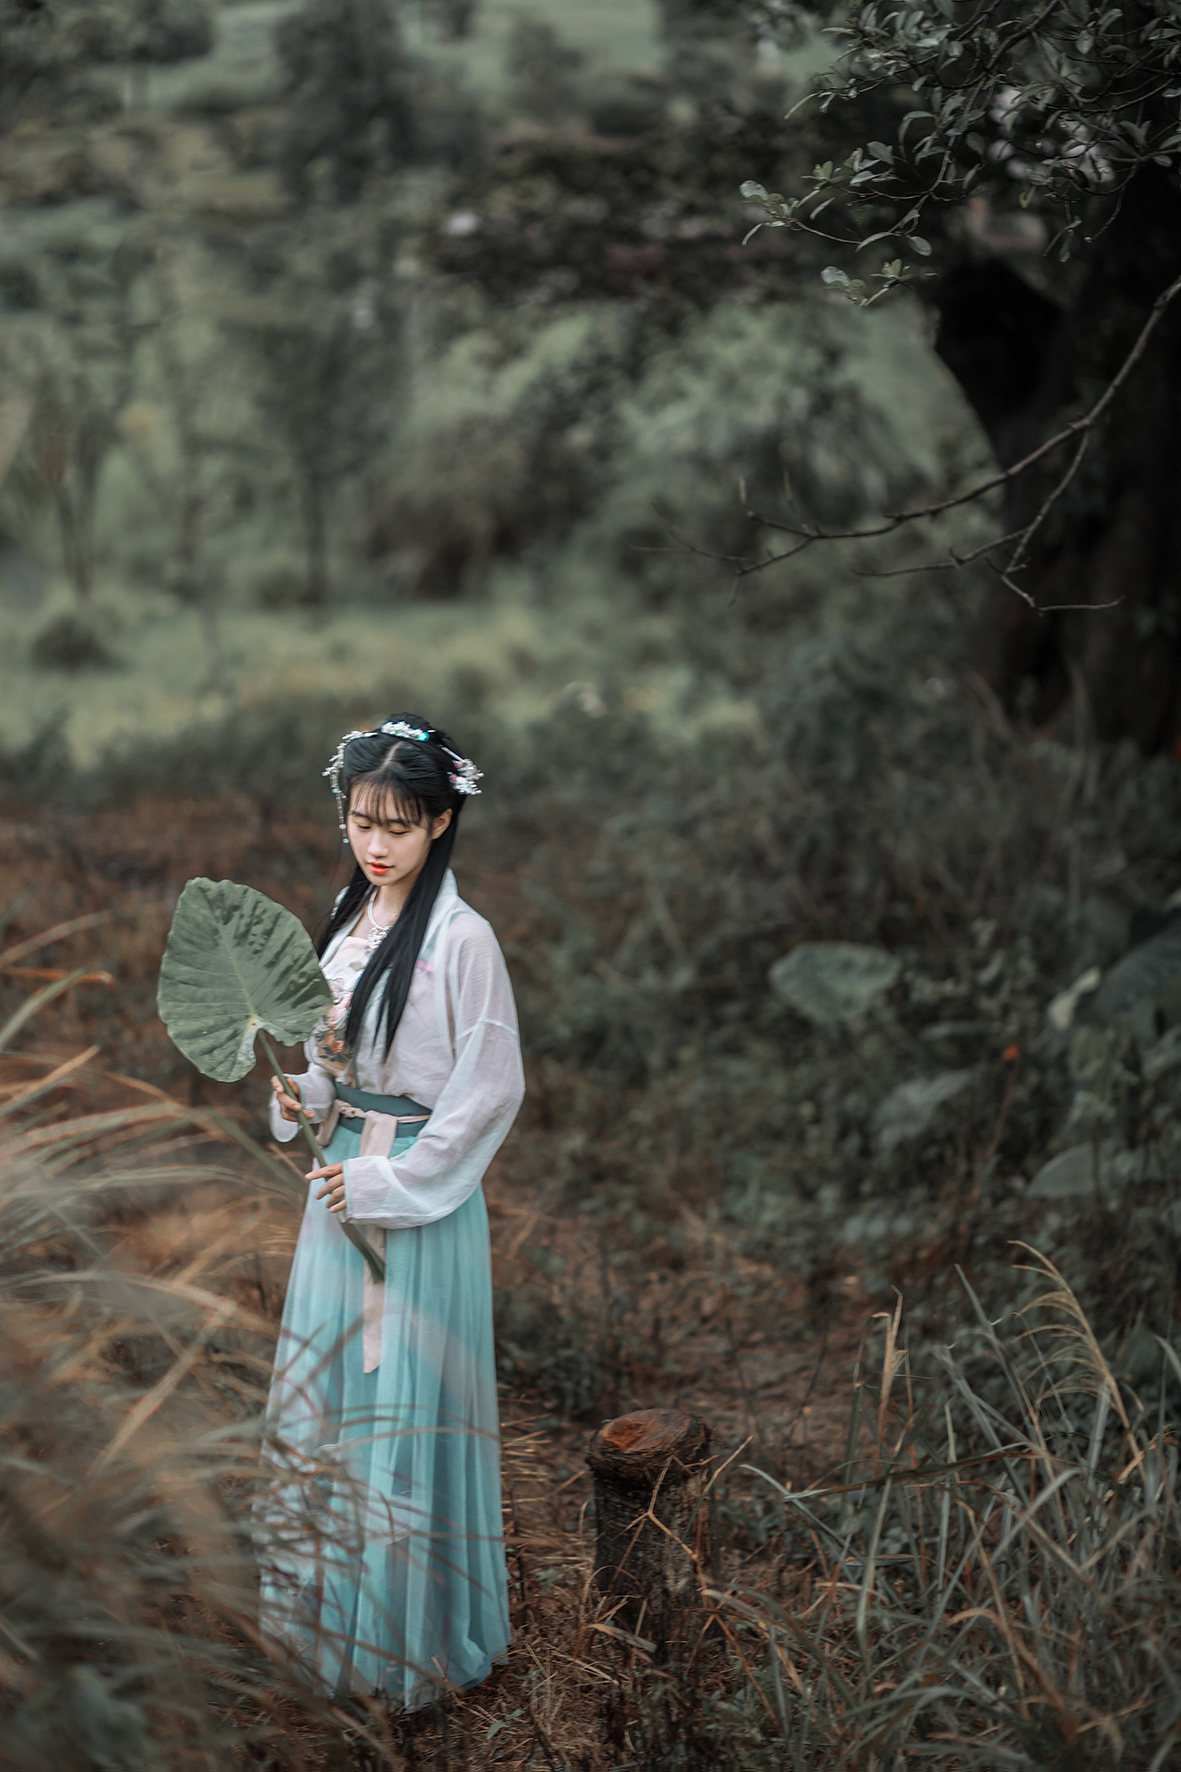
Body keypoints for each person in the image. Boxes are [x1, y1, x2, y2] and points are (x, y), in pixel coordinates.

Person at [256, 717, 523, 1709]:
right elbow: (335, 1062)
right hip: (335, 1191)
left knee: (405, 1407)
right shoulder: (346, 913)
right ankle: (329, 1621)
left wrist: (389, 1182)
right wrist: (304, 1099)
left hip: (413, 1198)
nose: (376, 844)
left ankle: (409, 1638)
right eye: (362, 821)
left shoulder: (461, 940)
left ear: (442, 822)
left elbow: (488, 1090)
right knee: (334, 1403)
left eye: (400, 827)